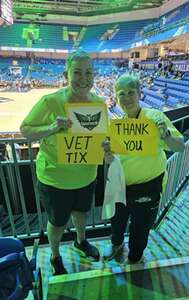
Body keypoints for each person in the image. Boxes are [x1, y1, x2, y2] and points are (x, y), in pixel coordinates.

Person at [20, 50, 104, 275]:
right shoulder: (51, 101)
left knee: (81, 214)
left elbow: (101, 138)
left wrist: (106, 145)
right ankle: (56, 256)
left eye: (88, 72)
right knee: (57, 223)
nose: (83, 78)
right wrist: (52, 128)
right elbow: (26, 131)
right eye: (77, 72)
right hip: (55, 180)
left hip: (87, 176)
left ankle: (80, 241)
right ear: (66, 74)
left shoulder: (99, 103)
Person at [103, 74, 185, 264]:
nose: (126, 98)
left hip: (147, 188)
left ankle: (135, 256)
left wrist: (166, 136)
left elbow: (180, 147)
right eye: (121, 93)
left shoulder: (154, 118)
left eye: (131, 92)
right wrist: (108, 156)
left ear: (140, 94)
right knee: (117, 221)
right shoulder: (118, 124)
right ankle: (116, 246)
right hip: (120, 185)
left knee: (140, 228)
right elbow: (113, 158)